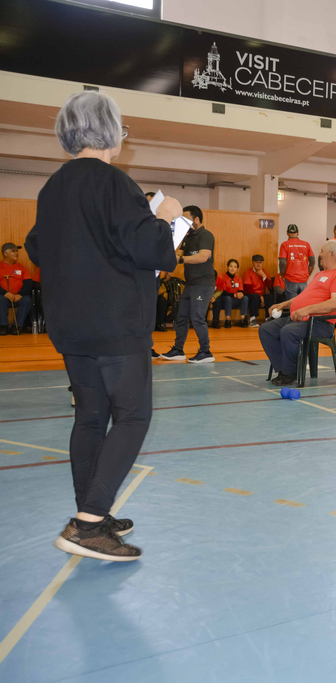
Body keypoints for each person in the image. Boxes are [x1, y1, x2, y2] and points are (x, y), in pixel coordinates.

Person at [25, 91, 179, 561]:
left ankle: (91, 510)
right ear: (110, 131)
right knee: (132, 415)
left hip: (71, 324)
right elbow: (149, 249)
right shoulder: (115, 184)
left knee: (90, 416)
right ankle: (88, 525)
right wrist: (166, 217)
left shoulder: (52, 187)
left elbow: (36, 248)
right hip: (115, 322)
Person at [261, 241, 336, 386]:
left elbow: (335, 303)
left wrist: (307, 310)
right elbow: (303, 297)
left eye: (322, 250)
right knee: (266, 329)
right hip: (299, 319)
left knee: (288, 332)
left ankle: (289, 372)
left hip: (320, 323)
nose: (319, 254)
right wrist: (283, 304)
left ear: (332, 254)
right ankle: (285, 369)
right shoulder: (320, 274)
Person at [159, 205, 216, 363]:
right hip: (190, 284)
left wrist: (181, 260)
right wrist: (169, 264)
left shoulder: (206, 235)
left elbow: (203, 256)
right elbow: (177, 254)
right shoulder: (188, 236)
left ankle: (206, 352)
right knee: (181, 316)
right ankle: (178, 350)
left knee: (197, 317)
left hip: (203, 283)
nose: (183, 222)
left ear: (196, 219)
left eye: (186, 219)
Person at [0, 243, 33, 335]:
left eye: (17, 251)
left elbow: (28, 284)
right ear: (5, 253)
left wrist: (20, 294)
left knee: (27, 300)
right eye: (13, 251)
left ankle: (17, 326)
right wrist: (5, 293)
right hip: (4, 296)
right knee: (0, 299)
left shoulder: (22, 267)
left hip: (18, 296)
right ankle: (3, 326)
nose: (16, 253)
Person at [279, 223, 314, 300]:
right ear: (297, 233)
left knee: (292, 305)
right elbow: (312, 261)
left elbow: (282, 262)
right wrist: (307, 274)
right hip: (303, 280)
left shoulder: (284, 245)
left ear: (287, 233)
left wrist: (282, 275)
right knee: (302, 305)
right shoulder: (306, 244)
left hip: (290, 279)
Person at [211, 259, 248, 328]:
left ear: (237, 269)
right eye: (231, 266)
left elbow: (241, 289)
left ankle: (243, 319)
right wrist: (234, 295)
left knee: (245, 298)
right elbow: (223, 292)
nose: (232, 268)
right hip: (225, 300)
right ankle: (228, 320)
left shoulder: (238, 278)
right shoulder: (222, 277)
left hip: (235, 300)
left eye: (235, 267)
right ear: (227, 267)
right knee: (228, 298)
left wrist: (240, 294)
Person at [242, 254, 272, 325]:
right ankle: (252, 319)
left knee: (270, 297)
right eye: (256, 262)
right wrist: (260, 296)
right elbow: (247, 288)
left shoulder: (265, 271)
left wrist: (264, 277)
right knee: (255, 296)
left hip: (261, 295)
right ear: (253, 263)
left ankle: (268, 318)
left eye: (260, 263)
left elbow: (270, 287)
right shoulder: (248, 272)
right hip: (252, 295)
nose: (258, 264)